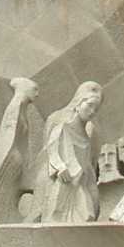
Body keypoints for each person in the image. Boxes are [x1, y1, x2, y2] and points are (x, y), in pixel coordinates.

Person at [42, 80, 103, 223]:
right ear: (78, 103)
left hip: (80, 185)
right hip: (65, 184)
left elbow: (88, 166)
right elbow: (52, 149)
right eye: (89, 105)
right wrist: (60, 167)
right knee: (57, 219)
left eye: (96, 109)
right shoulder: (63, 128)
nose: (92, 112)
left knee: (87, 215)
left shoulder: (87, 138)